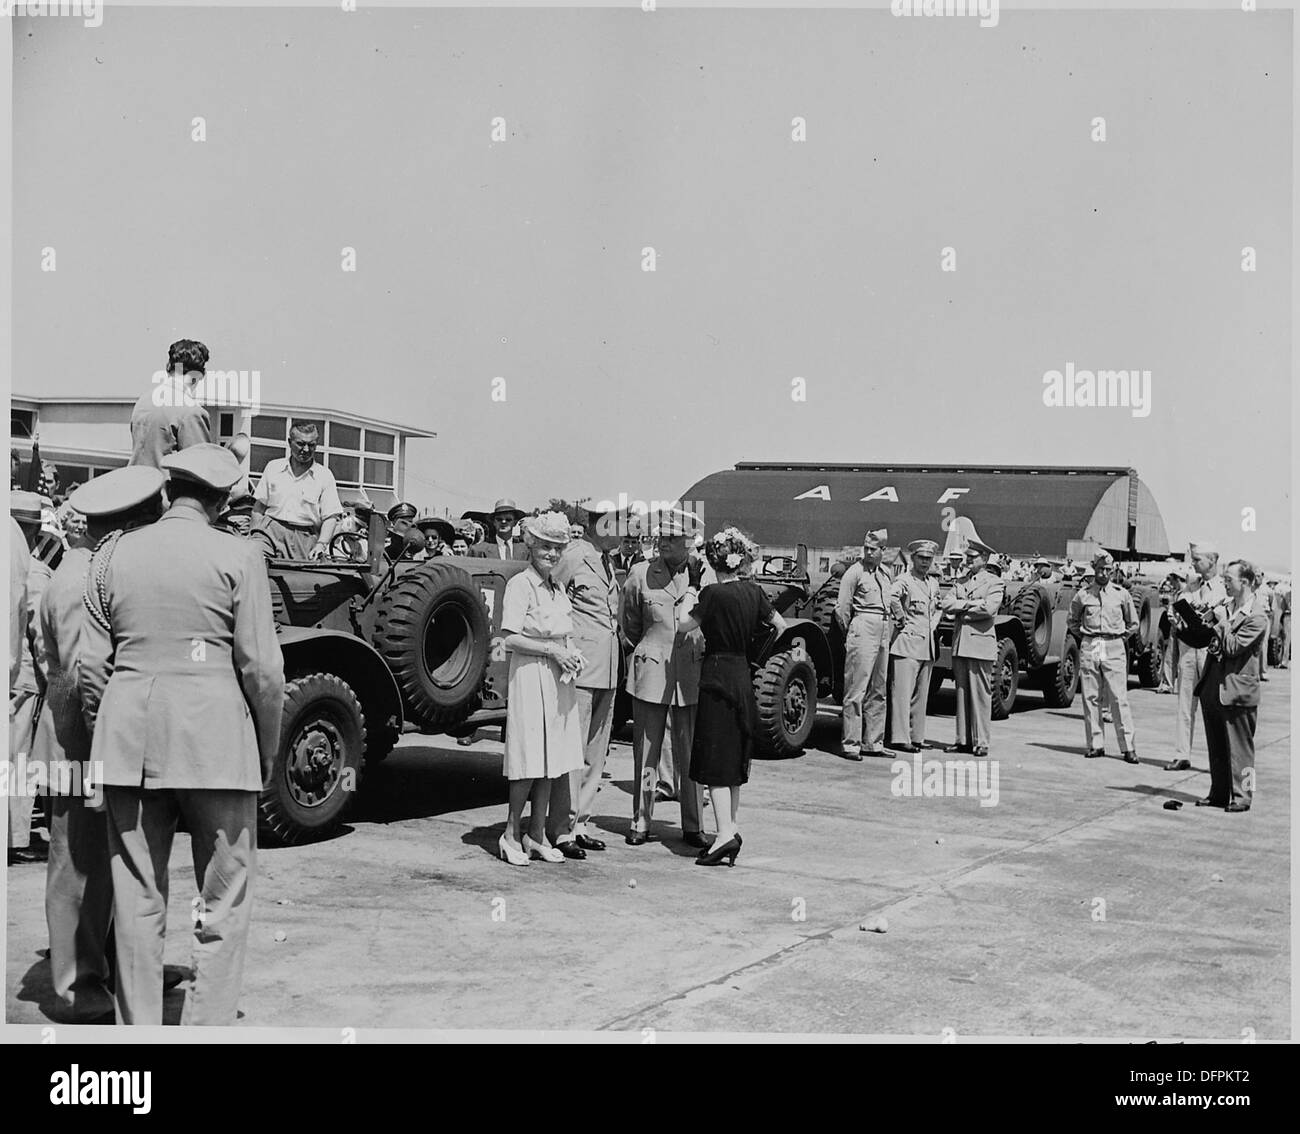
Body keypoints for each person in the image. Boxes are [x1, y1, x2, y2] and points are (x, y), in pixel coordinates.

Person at [77, 444, 284, 1025]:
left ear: (167, 492)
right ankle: (204, 1030)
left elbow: (92, 668)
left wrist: (110, 733)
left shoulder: (113, 554)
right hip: (217, 743)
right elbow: (263, 670)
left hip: (131, 744)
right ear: (222, 502)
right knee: (222, 902)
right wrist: (265, 749)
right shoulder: (240, 556)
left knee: (138, 898)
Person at [33, 466, 166, 1021]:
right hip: (84, 743)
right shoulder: (90, 580)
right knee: (78, 862)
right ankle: (76, 985)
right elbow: (89, 673)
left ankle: (101, 967)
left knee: (92, 859)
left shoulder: (78, 570)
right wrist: (111, 746)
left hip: (74, 735)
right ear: (128, 525)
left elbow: (48, 661)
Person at [678, 527, 785, 867]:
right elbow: (779, 625)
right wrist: (755, 651)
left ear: (713, 562)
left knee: (716, 760)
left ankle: (724, 835)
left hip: (716, 677)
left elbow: (682, 625)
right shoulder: (754, 592)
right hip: (741, 674)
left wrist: (692, 587)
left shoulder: (711, 595)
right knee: (734, 758)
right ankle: (730, 829)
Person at [496, 512, 586, 865]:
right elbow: (510, 637)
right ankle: (510, 834)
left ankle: (537, 834)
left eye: (557, 548)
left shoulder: (558, 588)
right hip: (531, 674)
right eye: (545, 546)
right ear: (531, 545)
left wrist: (570, 654)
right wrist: (551, 650)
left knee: (554, 757)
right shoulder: (522, 585)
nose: (551, 553)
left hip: (557, 679)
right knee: (529, 756)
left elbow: (562, 632)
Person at [545, 501, 624, 858]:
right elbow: (549, 597)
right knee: (573, 752)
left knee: (596, 753)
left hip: (606, 670)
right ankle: (561, 829)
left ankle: (581, 823)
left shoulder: (608, 562)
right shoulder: (575, 555)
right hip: (579, 668)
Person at [622, 514, 706, 846]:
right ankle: (641, 821)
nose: (664, 543)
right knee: (646, 753)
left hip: (689, 675)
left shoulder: (702, 574)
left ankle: (693, 825)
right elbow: (629, 623)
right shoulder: (641, 573)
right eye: (663, 538)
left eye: (673, 538)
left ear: (689, 541)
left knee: (689, 755)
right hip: (651, 673)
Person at [1195, 560, 1268, 812]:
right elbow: (1210, 638)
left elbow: (1233, 647)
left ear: (1245, 582)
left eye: (1229, 579)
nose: (1224, 582)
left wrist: (1222, 620)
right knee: (1216, 745)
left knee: (1242, 748)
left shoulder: (1257, 616)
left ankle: (1243, 797)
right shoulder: (1227, 607)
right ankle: (1218, 794)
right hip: (1214, 686)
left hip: (1238, 690)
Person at [9, 491, 54, 864]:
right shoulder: (34, 569)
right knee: (17, 761)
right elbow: (40, 632)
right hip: (22, 680)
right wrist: (55, 681)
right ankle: (16, 838)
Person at [1068, 551, 1139, 762]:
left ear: (1112, 571)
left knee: (1118, 697)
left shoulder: (1121, 594)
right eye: (1100, 569)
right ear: (1094, 569)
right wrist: (1087, 637)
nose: (1104, 573)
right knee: (1091, 696)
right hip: (1092, 643)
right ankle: (1095, 744)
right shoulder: (1083, 595)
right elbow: (1072, 621)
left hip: (1114, 644)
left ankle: (1128, 747)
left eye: (1108, 570)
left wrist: (1119, 638)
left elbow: (1133, 623)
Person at [1165, 540, 1226, 772]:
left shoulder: (1223, 589)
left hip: (1211, 651)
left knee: (1214, 707)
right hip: (1188, 649)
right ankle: (1182, 754)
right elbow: (1179, 609)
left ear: (1212, 560)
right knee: (1184, 704)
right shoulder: (1190, 588)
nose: (1194, 563)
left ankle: (1220, 759)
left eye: (1198, 559)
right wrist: (1176, 618)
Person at [941, 540, 1006, 758]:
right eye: (968, 557)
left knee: (980, 694)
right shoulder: (960, 581)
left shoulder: (994, 582)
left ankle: (981, 742)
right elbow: (947, 604)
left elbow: (989, 608)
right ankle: (963, 740)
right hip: (961, 644)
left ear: (985, 559)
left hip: (980, 643)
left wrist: (963, 608)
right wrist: (969, 606)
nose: (968, 560)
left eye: (973, 557)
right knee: (962, 693)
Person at [835, 528, 894, 760]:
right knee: (856, 688)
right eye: (866, 548)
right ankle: (851, 743)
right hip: (862, 626)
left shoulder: (886, 573)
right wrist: (853, 634)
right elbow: (842, 609)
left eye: (874, 549)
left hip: (883, 626)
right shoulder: (854, 573)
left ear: (883, 550)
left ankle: (874, 742)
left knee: (878, 688)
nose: (869, 553)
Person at [249, 422, 343, 560]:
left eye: (311, 445)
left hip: (304, 538)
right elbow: (259, 507)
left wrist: (321, 545)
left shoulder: (324, 476)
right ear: (289, 442)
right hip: (269, 531)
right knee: (254, 561)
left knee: (297, 579)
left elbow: (330, 518)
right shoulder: (273, 467)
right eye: (300, 444)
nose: (305, 449)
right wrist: (252, 535)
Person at [887, 539, 942, 753]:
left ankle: (917, 736)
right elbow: (892, 598)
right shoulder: (904, 580)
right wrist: (901, 620)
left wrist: (933, 625)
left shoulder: (932, 583)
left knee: (922, 695)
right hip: (907, 643)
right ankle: (900, 737)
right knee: (902, 693)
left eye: (929, 559)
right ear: (913, 559)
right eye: (921, 558)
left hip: (926, 645)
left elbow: (937, 607)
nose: (925, 562)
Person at [128, 339, 212, 469]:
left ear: (169, 367)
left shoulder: (143, 401)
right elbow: (200, 470)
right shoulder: (192, 412)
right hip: (166, 488)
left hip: (137, 486)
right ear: (201, 374)